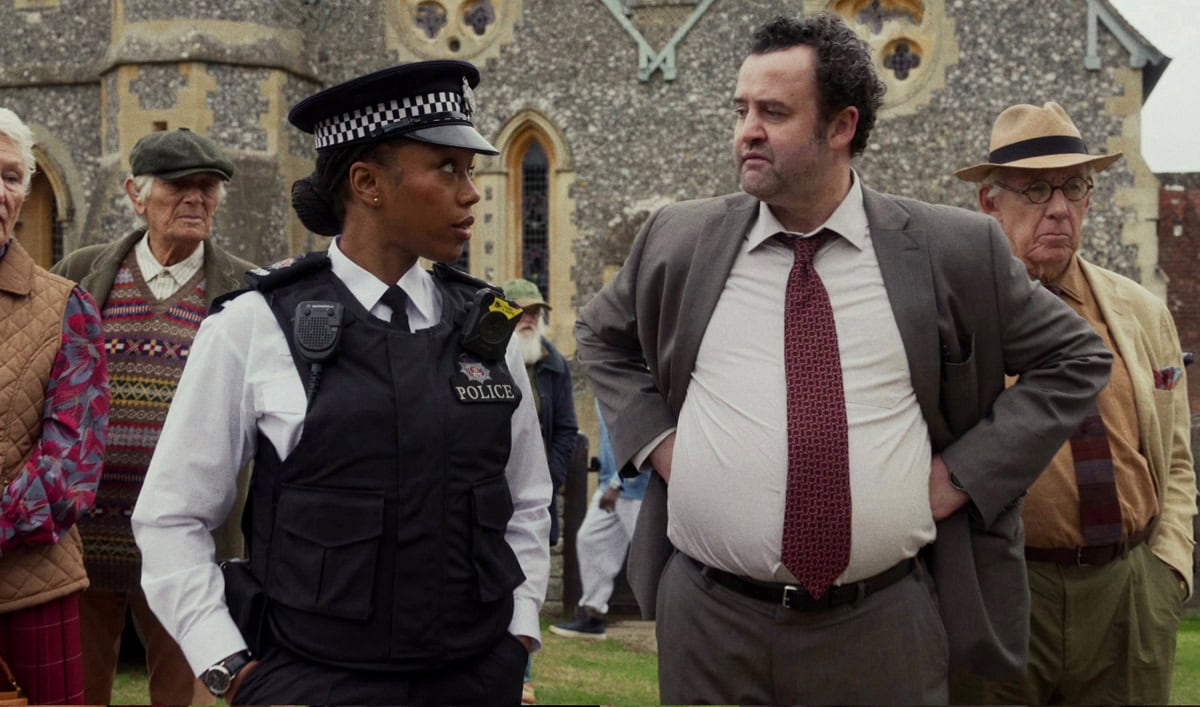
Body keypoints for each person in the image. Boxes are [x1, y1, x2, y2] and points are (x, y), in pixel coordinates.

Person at [574, 13, 1113, 705]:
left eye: (773, 112)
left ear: (841, 127)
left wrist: (964, 474)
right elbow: (601, 335)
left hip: (881, 628)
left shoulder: (952, 251)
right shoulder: (678, 239)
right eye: (740, 110)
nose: (747, 131)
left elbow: (1076, 357)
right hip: (710, 625)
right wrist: (659, 443)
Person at [131, 60, 552, 706]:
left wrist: (518, 633)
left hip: (471, 677)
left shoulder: (489, 327)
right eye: (447, 168)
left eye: (470, 171)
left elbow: (527, 498)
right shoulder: (255, 325)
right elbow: (171, 514)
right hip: (315, 678)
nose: (472, 193)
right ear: (367, 183)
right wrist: (229, 666)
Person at [951, 101, 1195, 705]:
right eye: (1036, 190)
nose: (1059, 207)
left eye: (1074, 187)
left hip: (1127, 592)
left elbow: (1175, 455)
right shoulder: (955, 314)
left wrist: (1168, 569)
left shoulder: (1141, 311)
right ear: (989, 203)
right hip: (1003, 591)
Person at [52, 127, 256, 706]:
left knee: (182, 698)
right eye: (177, 185)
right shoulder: (81, 272)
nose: (195, 198)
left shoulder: (245, 291)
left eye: (207, 186)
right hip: (84, 538)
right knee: (74, 695)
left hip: (189, 547)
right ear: (136, 195)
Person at [0, 107, 109, 706]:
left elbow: (71, 469)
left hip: (30, 594)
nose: (0, 192)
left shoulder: (66, 308)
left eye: (12, 176)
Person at [501, 277, 576, 705]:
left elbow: (565, 430)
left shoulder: (555, 365)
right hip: (491, 498)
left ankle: (520, 676)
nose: (529, 319)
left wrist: (548, 480)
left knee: (526, 585)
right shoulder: (484, 357)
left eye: (534, 312)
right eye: (521, 312)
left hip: (533, 501)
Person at [550, 403, 646, 640]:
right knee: (590, 539)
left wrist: (617, 483)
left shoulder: (628, 389)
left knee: (650, 556)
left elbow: (641, 435)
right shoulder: (602, 392)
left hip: (636, 488)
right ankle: (593, 615)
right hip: (610, 487)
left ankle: (679, 620)